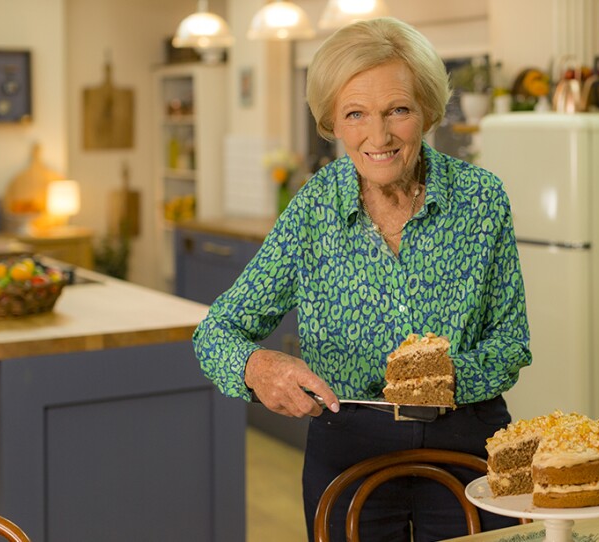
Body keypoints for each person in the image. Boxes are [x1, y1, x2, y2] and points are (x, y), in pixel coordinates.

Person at [193, 17, 531, 542]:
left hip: (468, 448)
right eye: (356, 114)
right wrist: (258, 367)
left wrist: (437, 380)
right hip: (349, 452)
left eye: (398, 110)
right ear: (332, 121)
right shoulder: (313, 210)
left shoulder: (482, 198)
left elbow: (511, 343)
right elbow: (217, 330)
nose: (378, 136)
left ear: (427, 111)